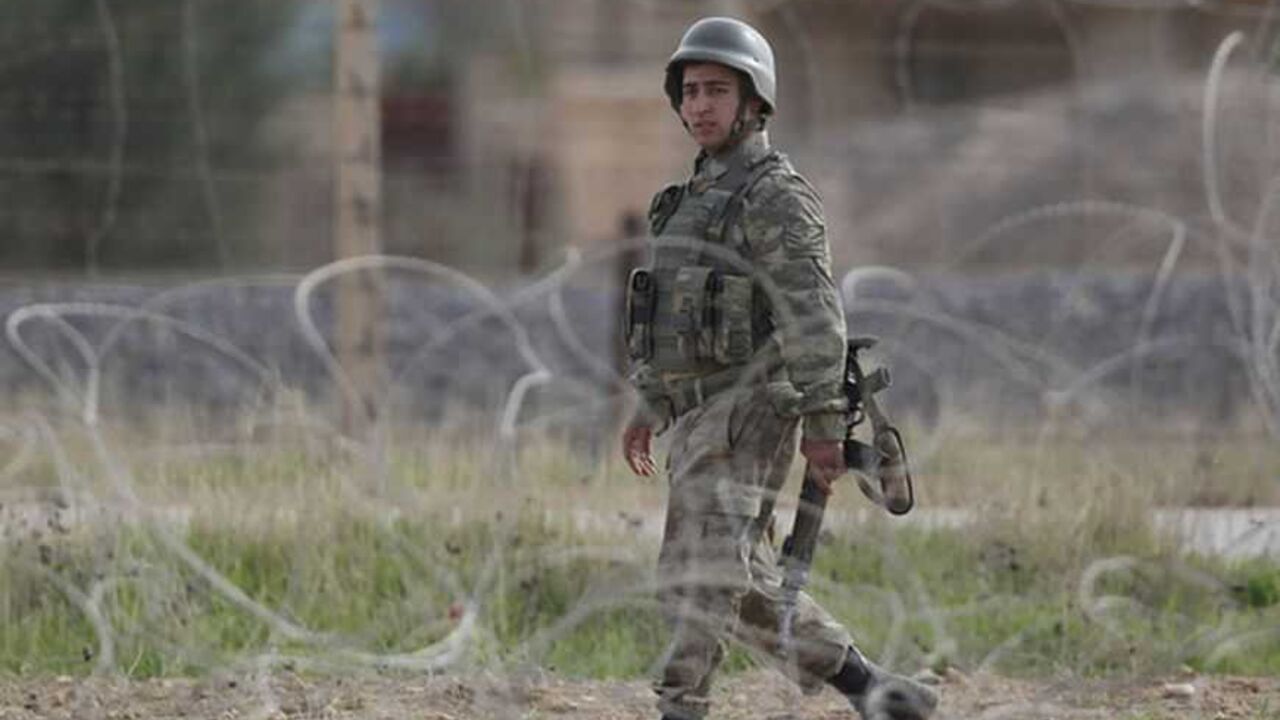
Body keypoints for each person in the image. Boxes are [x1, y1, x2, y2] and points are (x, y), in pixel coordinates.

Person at [620, 16, 938, 720]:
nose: (700, 105)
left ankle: (682, 706)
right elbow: (672, 321)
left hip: (754, 409)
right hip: (701, 414)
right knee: (745, 579)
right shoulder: (685, 202)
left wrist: (824, 424)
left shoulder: (775, 198)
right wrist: (653, 402)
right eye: (691, 91)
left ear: (754, 100)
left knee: (697, 575)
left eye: (718, 90)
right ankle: (875, 691)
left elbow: (814, 317)